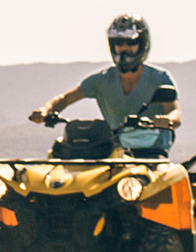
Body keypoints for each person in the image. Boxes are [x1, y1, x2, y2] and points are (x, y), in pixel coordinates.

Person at [28, 14, 180, 155]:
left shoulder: (159, 78)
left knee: (162, 177)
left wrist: (167, 120)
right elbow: (65, 98)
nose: (124, 48)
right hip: (112, 150)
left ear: (142, 44)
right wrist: (45, 110)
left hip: (152, 151)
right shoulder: (102, 79)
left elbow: (175, 112)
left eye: (130, 42)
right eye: (119, 43)